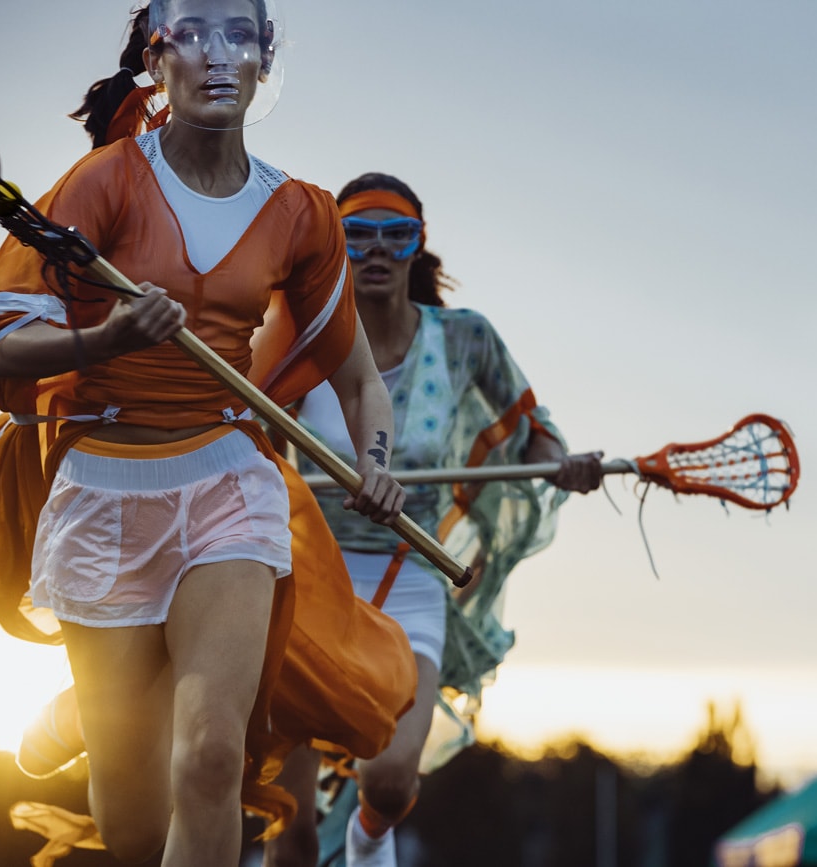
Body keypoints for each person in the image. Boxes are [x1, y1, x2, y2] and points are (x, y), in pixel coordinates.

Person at [0, 3, 418, 865]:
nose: (218, 55)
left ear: (264, 61)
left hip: (228, 488)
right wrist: (104, 340)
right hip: (101, 490)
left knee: (210, 752)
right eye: (195, 33)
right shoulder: (101, 183)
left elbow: (358, 380)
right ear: (156, 57)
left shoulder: (302, 212)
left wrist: (376, 463)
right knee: (131, 821)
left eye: (241, 36)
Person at [261, 173, 605, 867]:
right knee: (288, 831)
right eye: (357, 234)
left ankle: (366, 840)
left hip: (411, 573)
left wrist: (561, 464)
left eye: (398, 234)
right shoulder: (295, 336)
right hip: (308, 583)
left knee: (388, 783)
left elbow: (536, 431)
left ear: (419, 246)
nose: (378, 250)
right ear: (336, 246)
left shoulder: (465, 339)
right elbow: (246, 434)